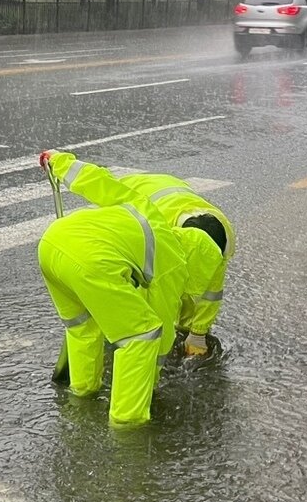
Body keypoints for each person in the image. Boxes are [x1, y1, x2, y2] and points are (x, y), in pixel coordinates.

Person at [37, 151, 223, 426]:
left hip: (52, 243)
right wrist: (151, 380)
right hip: (91, 261)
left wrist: (60, 162)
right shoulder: (173, 262)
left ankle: (82, 393)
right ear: (201, 263)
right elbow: (161, 329)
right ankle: (127, 423)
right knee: (142, 337)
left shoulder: (151, 214)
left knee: (83, 328)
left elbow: (100, 182)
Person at [43, 151, 232, 357]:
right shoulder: (153, 222)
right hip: (137, 189)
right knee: (135, 276)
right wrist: (59, 161)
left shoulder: (221, 238)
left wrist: (196, 333)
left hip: (170, 190)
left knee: (180, 271)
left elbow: (210, 290)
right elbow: (96, 182)